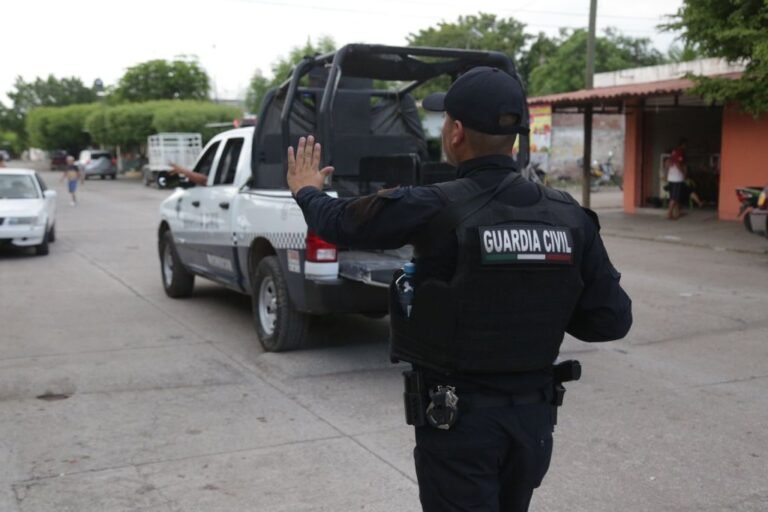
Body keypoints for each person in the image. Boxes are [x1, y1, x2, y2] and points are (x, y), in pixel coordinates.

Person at [286, 66, 632, 512]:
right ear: (515, 136)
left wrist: (308, 190)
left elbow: (338, 223)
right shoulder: (570, 216)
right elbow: (610, 321)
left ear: (456, 133)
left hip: (459, 422)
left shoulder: (432, 205)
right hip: (533, 422)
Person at [666, 139, 687, 219]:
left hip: (671, 177)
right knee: (674, 197)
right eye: (685, 145)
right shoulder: (680, 152)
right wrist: (683, 173)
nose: (686, 147)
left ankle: (678, 212)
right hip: (677, 178)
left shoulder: (673, 151)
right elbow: (678, 164)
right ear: (683, 144)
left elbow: (667, 162)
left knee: (675, 196)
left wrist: (667, 173)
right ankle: (669, 214)